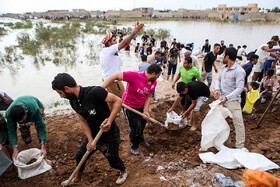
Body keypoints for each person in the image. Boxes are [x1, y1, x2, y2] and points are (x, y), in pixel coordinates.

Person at [52, 73, 127, 185]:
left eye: (60, 93)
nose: (61, 96)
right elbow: (83, 121)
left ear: (67, 88)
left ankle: (123, 171)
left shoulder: (94, 92)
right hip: (93, 134)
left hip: (109, 135)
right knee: (80, 156)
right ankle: (77, 179)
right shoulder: (73, 101)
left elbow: (118, 101)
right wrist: (90, 139)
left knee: (113, 161)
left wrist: (110, 121)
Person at [101, 64, 162, 155]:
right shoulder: (135, 75)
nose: (158, 78)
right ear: (153, 74)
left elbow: (149, 97)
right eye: (158, 75)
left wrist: (145, 111)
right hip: (129, 106)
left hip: (141, 105)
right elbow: (115, 76)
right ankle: (134, 145)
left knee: (142, 124)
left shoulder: (153, 83)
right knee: (134, 128)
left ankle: (141, 139)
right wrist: (100, 89)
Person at [100, 22, 144, 110]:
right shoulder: (110, 49)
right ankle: (125, 114)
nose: (116, 42)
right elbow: (124, 43)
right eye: (114, 40)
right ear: (108, 43)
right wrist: (134, 32)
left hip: (106, 79)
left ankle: (111, 117)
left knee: (111, 100)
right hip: (113, 81)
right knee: (124, 99)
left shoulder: (104, 51)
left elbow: (125, 43)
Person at [214, 47, 246, 149]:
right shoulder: (223, 68)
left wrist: (227, 98)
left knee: (238, 123)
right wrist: (216, 89)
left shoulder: (239, 71)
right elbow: (218, 80)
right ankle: (225, 143)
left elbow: (240, 88)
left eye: (223, 55)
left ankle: (239, 147)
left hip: (233, 101)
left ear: (227, 57)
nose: (222, 57)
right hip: (221, 100)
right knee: (220, 122)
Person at [5, 96, 49, 162]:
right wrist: (15, 148)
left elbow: (41, 127)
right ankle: (32, 150)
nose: (21, 122)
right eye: (18, 121)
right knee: (24, 131)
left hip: (36, 107)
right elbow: (11, 131)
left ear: (26, 112)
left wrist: (43, 147)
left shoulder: (35, 110)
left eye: (22, 119)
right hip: (22, 114)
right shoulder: (9, 114)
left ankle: (43, 150)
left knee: (39, 127)